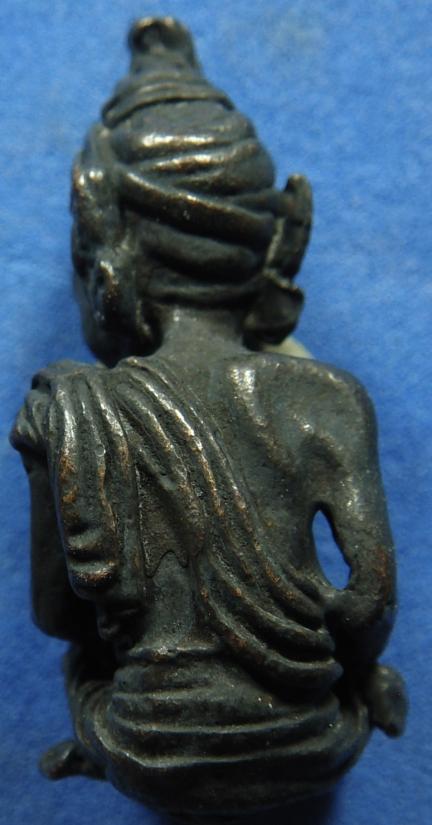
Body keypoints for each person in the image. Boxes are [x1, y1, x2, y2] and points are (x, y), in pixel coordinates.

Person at [11, 17, 406, 820]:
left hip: (150, 747)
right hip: (311, 736)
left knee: (91, 681)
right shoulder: (330, 398)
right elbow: (370, 600)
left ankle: (96, 741)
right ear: (269, 246)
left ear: (107, 260)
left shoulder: (71, 408)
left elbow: (59, 615)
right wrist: (348, 667)